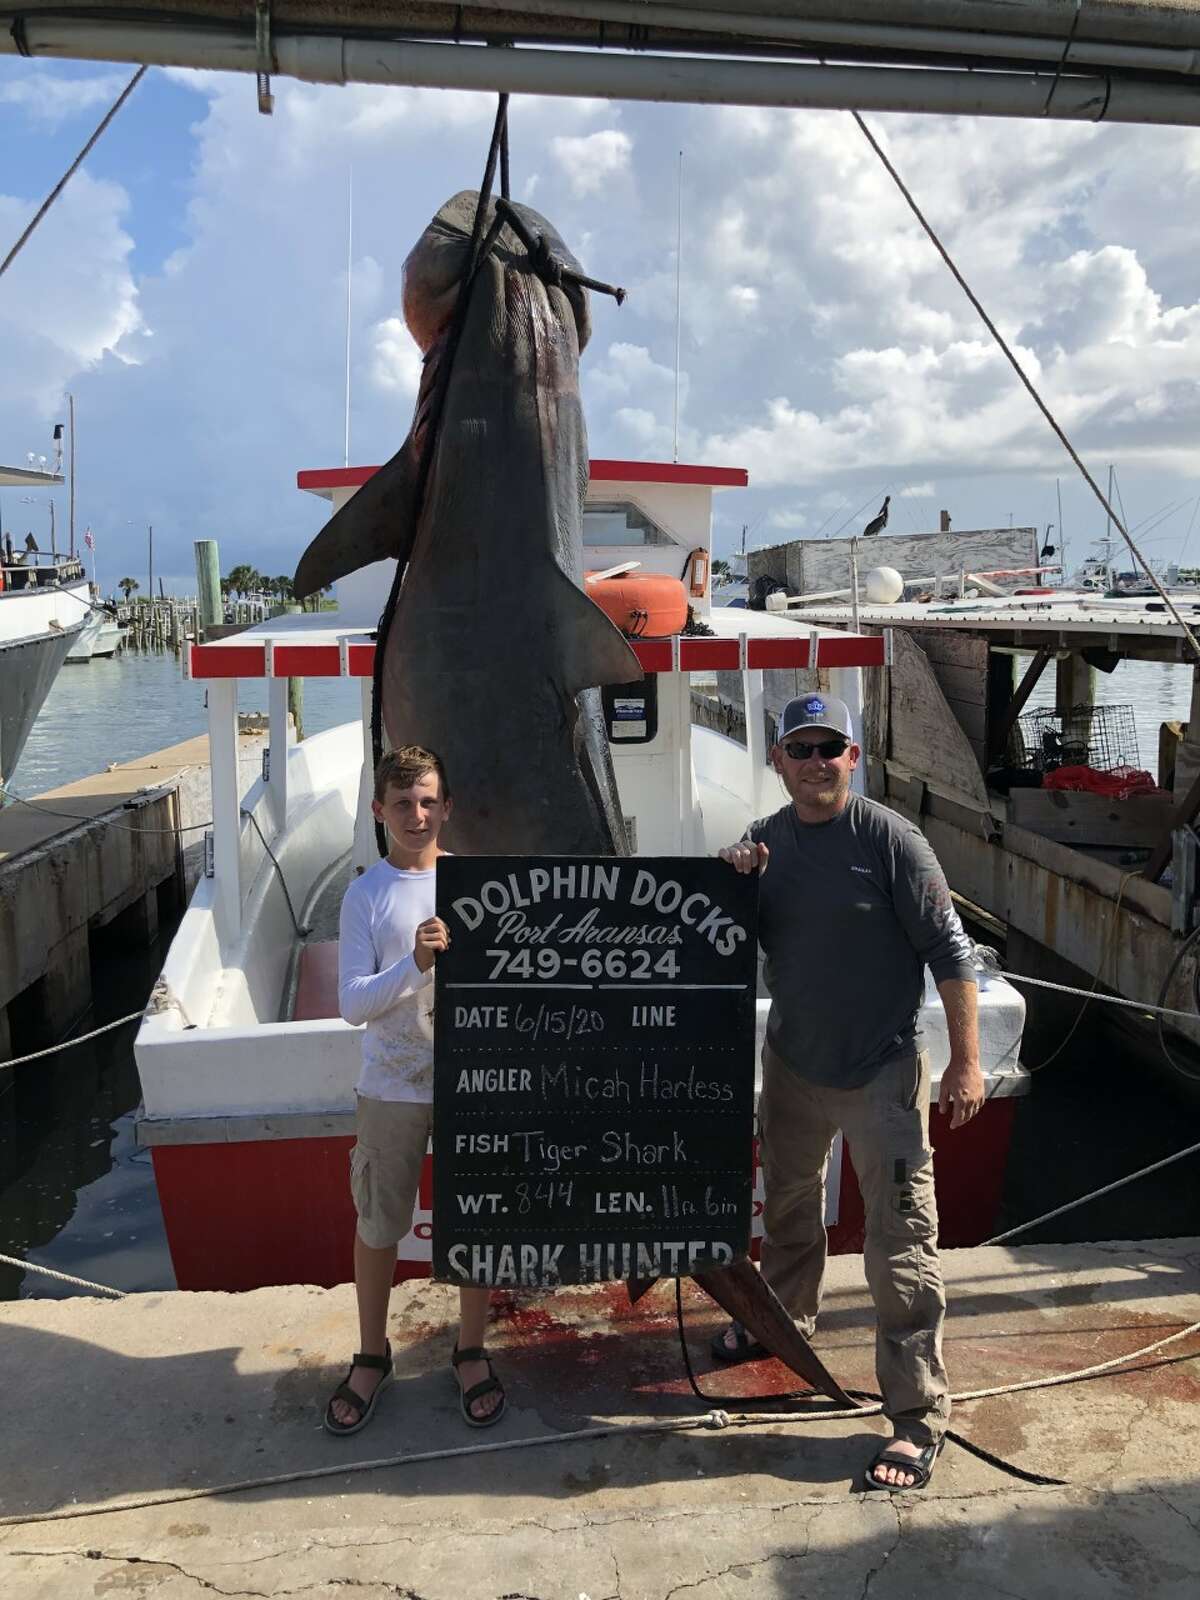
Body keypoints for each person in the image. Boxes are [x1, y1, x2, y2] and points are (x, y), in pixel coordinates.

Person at [716, 692, 983, 1493]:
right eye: (800, 749)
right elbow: (725, 939)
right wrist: (730, 881)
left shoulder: (894, 840)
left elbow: (951, 953)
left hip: (882, 1071)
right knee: (788, 1210)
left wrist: (967, 1063)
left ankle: (917, 1415)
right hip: (794, 1066)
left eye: (829, 747)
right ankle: (783, 1325)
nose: (815, 762)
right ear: (777, 761)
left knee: (900, 1246)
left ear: (852, 758)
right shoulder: (764, 842)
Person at [324, 745, 504, 1435]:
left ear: (447, 807)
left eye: (428, 801)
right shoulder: (364, 894)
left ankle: (471, 1349)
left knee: (474, 1223)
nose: (417, 815)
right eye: (402, 803)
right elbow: (351, 1003)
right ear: (380, 811)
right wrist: (416, 963)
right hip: (391, 1087)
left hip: (472, 1085)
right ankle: (372, 1354)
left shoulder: (478, 885)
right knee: (378, 1226)